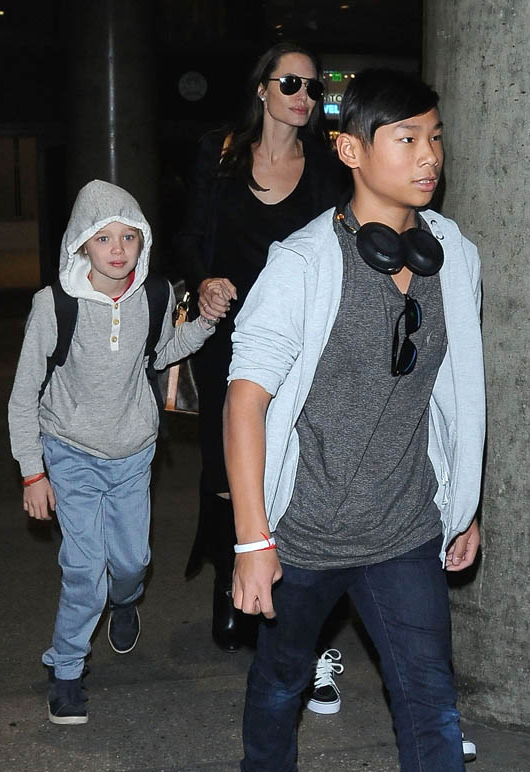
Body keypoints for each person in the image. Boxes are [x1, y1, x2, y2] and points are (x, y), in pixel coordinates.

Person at [223, 70, 530, 772]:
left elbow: (453, 394)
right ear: (350, 149)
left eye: (434, 136)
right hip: (305, 530)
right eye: (406, 138)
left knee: (430, 701)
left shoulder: (452, 255)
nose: (428, 155)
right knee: (284, 677)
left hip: (404, 524)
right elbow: (245, 400)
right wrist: (253, 540)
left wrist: (462, 502)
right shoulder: (303, 264)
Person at [8, 179, 216, 725]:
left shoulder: (155, 294)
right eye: (104, 239)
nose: (118, 250)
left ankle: (124, 601)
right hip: (70, 451)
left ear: (143, 240)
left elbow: (162, 353)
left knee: (132, 563)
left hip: (134, 453)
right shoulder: (53, 305)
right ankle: (66, 670)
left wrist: (204, 323)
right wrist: (33, 474)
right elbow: (23, 395)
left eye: (129, 237)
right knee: (84, 571)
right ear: (81, 244)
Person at [174, 42, 346, 676]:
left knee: (295, 462)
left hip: (299, 339)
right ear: (262, 89)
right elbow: (189, 237)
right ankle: (232, 582)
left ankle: (292, 592)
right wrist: (203, 282)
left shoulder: (327, 165)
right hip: (230, 335)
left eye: (313, 86)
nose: (304, 97)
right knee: (228, 463)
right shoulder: (219, 155)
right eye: (291, 83)